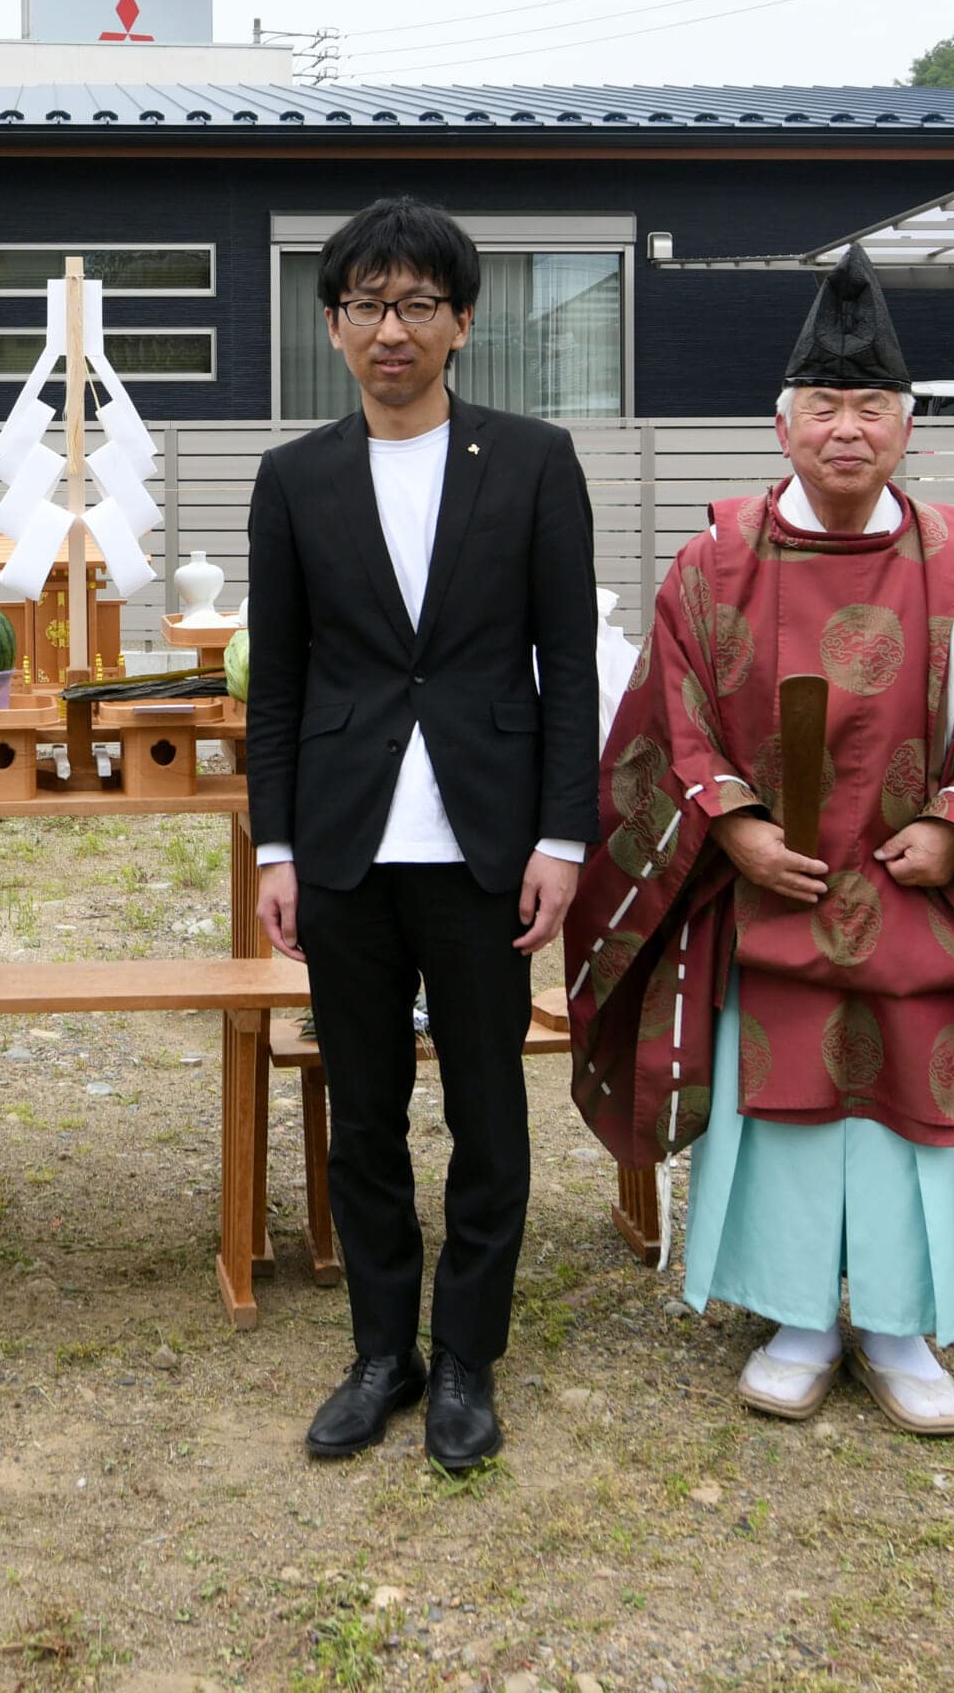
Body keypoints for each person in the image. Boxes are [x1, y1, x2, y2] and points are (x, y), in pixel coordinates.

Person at [565, 247, 954, 1433]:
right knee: (789, 1104)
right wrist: (737, 825)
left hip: (914, 893)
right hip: (767, 891)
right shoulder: (711, 564)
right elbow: (672, 713)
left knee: (912, 1109)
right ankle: (797, 1313)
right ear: (781, 423)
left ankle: (902, 1326)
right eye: (824, 405)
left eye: (871, 406)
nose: (846, 428)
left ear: (906, 428)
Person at [247, 196, 600, 1471]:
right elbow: (273, 682)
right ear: (332, 322)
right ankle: (378, 1349)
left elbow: (568, 661)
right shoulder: (294, 477)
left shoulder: (532, 459)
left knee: (490, 1112)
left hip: (484, 844)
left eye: (414, 305)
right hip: (340, 843)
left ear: (461, 320)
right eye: (362, 304)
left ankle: (466, 1358)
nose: (387, 328)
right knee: (362, 1115)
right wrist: (271, 849)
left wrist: (564, 835)